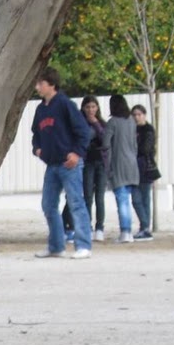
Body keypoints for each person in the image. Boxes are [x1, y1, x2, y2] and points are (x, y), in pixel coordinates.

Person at [30, 68, 92, 260]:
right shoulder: (41, 109)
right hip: (52, 164)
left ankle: (84, 245)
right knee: (48, 204)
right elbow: (36, 134)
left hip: (69, 164)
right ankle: (56, 246)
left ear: (52, 84)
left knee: (76, 203)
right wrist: (37, 149)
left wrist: (77, 153)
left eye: (41, 83)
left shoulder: (65, 104)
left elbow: (84, 131)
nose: (37, 87)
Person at [64, 97, 109, 242]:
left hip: (101, 163)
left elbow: (105, 139)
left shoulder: (101, 123)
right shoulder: (79, 123)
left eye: (93, 107)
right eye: (88, 107)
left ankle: (100, 228)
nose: (90, 110)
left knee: (100, 197)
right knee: (88, 196)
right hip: (86, 163)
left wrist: (95, 123)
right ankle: (87, 227)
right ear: (83, 108)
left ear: (97, 108)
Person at [105, 94, 140, 243]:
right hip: (132, 164)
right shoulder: (131, 121)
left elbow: (105, 143)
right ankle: (129, 232)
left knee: (122, 199)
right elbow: (135, 144)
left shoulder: (112, 122)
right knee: (127, 199)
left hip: (118, 164)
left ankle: (125, 231)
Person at [131, 104, 159, 240]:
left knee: (144, 198)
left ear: (144, 115)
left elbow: (146, 148)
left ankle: (145, 227)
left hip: (145, 166)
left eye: (139, 114)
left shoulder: (148, 130)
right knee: (136, 199)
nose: (137, 117)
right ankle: (145, 226)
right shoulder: (131, 129)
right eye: (134, 115)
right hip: (133, 166)